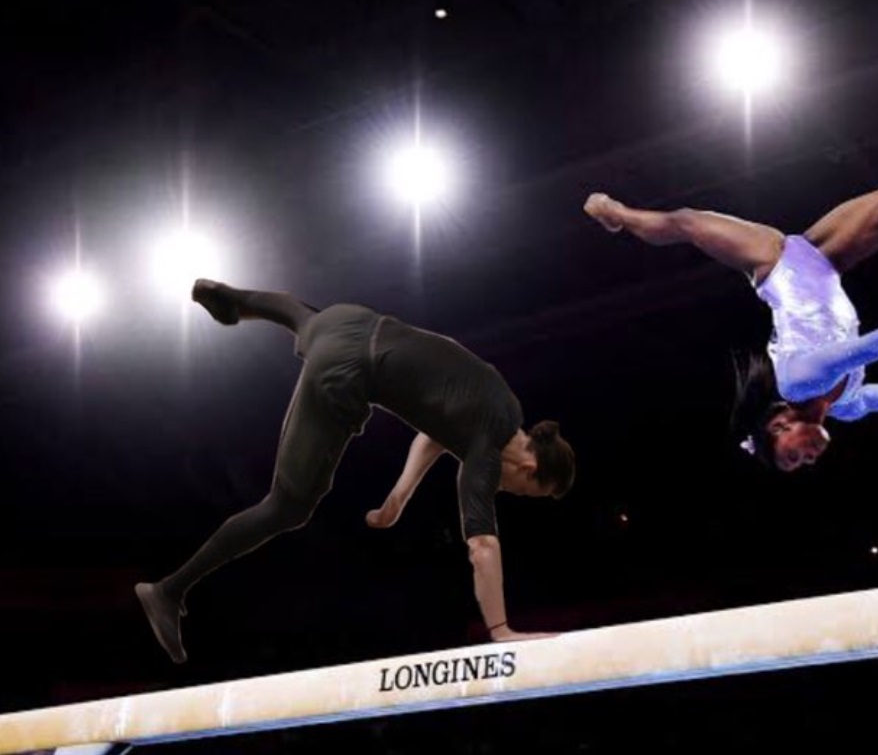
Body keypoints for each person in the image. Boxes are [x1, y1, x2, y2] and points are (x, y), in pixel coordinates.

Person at [584, 89, 878, 472]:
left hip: (772, 262)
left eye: (793, 456)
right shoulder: (847, 405)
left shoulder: (797, 383)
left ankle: (619, 215)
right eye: (804, 463)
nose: (808, 459)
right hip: (825, 262)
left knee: (686, 220)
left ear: (779, 427)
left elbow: (876, 345)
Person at [135, 279, 575, 663]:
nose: (506, 489)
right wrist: (500, 631)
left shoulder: (502, 403)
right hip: (347, 371)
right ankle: (169, 590)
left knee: (306, 319)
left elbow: (435, 432)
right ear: (531, 464)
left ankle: (235, 300)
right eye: (521, 491)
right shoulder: (487, 449)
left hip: (348, 321)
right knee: (288, 506)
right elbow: (482, 547)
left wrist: (398, 499)